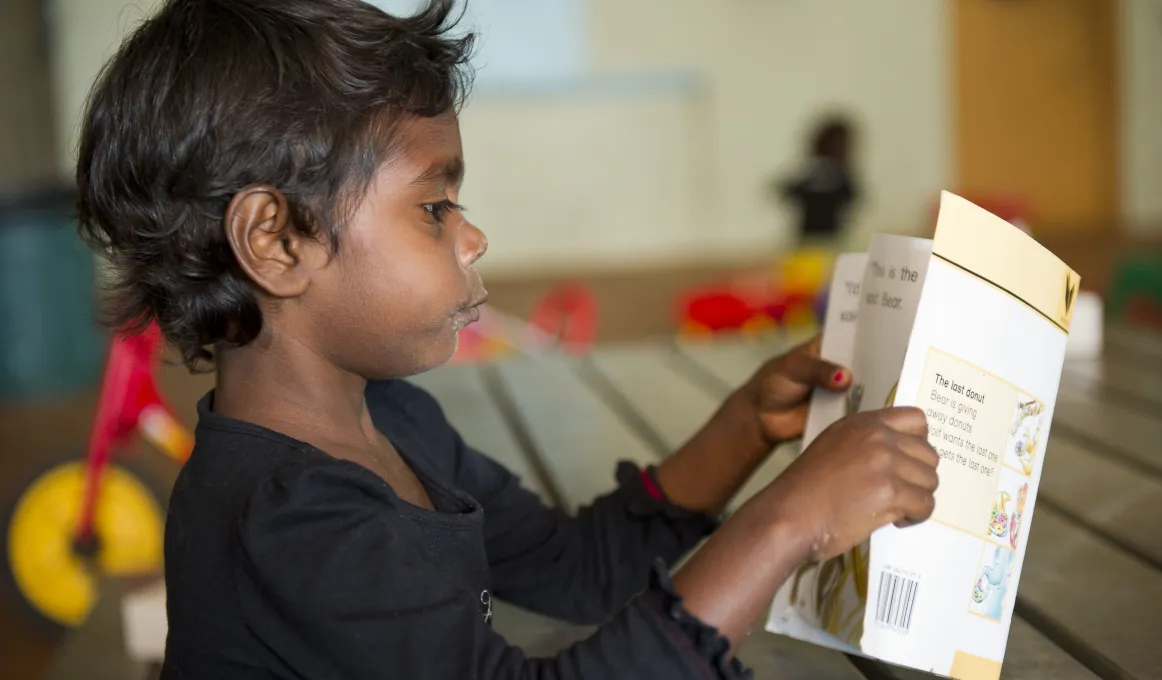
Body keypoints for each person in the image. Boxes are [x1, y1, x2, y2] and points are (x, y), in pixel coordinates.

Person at [75, 1, 939, 678]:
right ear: (276, 242)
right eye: (433, 206)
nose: (473, 235)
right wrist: (793, 520)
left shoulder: (395, 424)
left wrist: (750, 423)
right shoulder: (288, 521)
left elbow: (579, 569)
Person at [776, 116, 860, 248]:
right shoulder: (812, 170)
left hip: (832, 237)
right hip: (809, 238)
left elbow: (853, 196)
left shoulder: (838, 173)